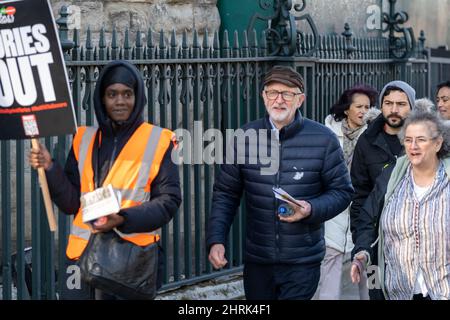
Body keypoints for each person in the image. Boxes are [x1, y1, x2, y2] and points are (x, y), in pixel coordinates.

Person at [28, 60, 181, 299]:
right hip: (81, 256)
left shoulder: (160, 140)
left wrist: (122, 218)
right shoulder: (83, 139)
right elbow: (70, 203)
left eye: (127, 94)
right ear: (102, 99)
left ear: (137, 97)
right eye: (112, 94)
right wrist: (49, 167)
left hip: (129, 260)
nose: (120, 101)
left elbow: (169, 201)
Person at [206, 65, 354, 300]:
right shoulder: (243, 138)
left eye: (288, 93)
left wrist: (310, 208)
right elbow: (226, 194)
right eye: (273, 92)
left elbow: (342, 192)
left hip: (303, 261)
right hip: (258, 260)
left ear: (300, 99)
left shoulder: (323, 139)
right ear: (264, 97)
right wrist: (216, 239)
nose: (279, 100)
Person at [350, 110, 450, 300]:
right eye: (408, 139)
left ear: (437, 143)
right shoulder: (391, 177)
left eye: (421, 139)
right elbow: (367, 220)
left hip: (443, 290)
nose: (413, 146)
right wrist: (362, 253)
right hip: (398, 291)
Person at [349, 80, 415, 299]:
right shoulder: (366, 141)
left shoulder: (418, 142)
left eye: (401, 104)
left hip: (411, 242)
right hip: (374, 242)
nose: (394, 109)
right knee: (376, 292)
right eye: (388, 103)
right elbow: (359, 194)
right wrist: (361, 242)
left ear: (411, 107)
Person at [316, 84, 379, 300]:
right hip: (334, 208)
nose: (363, 111)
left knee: (368, 261)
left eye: (367, 106)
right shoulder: (327, 134)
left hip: (365, 210)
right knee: (330, 258)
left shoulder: (373, 135)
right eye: (358, 106)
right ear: (346, 109)